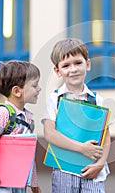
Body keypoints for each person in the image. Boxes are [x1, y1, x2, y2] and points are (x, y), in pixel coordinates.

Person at [42, 38, 111, 192]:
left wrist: (100, 164)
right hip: (64, 171)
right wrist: (82, 148)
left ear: (88, 64)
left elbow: (105, 136)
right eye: (66, 65)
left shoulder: (97, 100)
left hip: (92, 170)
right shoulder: (55, 99)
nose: (73, 69)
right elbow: (49, 133)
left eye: (78, 63)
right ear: (57, 71)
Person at [0, 60, 42, 193]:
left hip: (19, 183)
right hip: (1, 182)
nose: (39, 89)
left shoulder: (28, 118)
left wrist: (34, 184)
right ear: (17, 91)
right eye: (35, 85)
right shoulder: (3, 112)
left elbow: (29, 155)